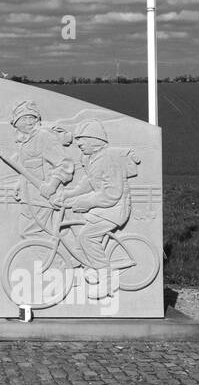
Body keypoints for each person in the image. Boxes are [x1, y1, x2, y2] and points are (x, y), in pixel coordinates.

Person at [54, 120, 131, 269]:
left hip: (114, 210)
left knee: (86, 237)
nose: (78, 144)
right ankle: (81, 257)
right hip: (105, 208)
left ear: (94, 140)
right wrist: (69, 194)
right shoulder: (92, 159)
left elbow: (112, 194)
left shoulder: (109, 160)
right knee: (72, 217)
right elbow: (89, 182)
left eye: (82, 140)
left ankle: (105, 277)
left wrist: (86, 202)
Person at [8, 100, 74, 238]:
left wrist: (52, 185)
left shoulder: (44, 137)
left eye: (32, 117)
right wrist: (19, 185)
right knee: (27, 233)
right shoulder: (24, 142)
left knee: (30, 233)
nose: (29, 121)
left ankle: (52, 260)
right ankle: (49, 259)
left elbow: (65, 164)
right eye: (24, 118)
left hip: (44, 197)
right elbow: (29, 168)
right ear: (16, 123)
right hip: (30, 197)